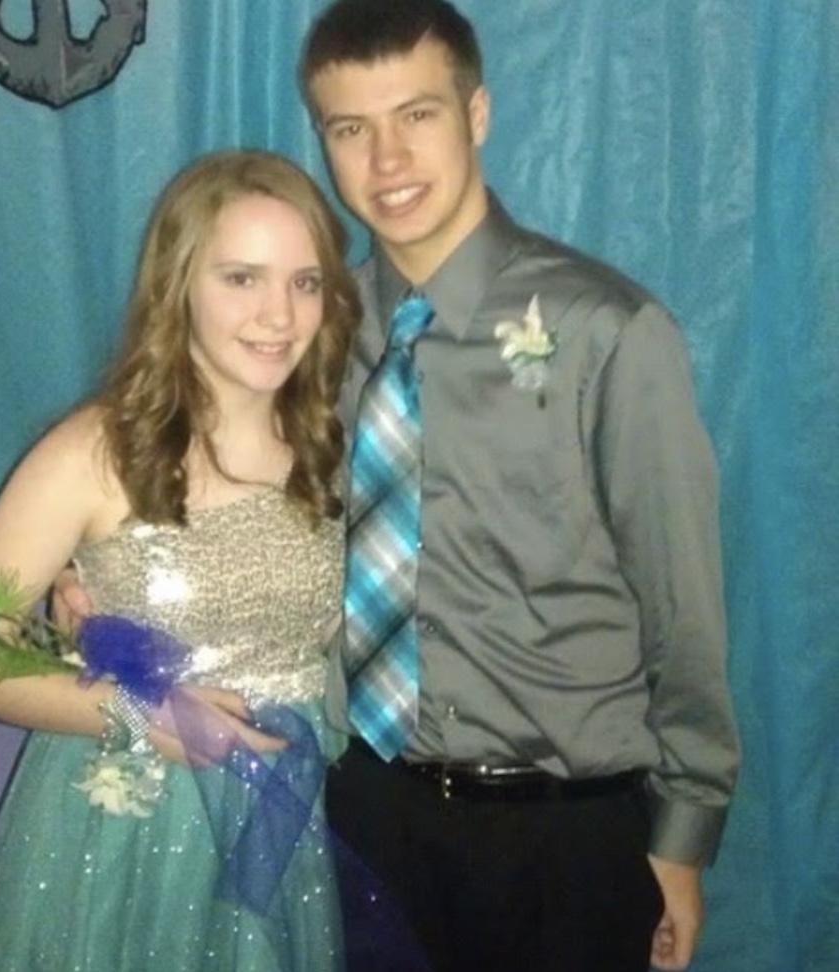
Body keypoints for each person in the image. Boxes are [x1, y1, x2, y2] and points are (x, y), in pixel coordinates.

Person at [298, 2, 740, 971]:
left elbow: (683, 604)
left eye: (417, 115)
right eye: (350, 128)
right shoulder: (312, 335)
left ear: (478, 113)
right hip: (362, 812)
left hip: (561, 837)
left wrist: (683, 835)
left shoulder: (604, 332)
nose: (386, 160)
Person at [0, 150, 361, 972]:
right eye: (242, 278)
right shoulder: (95, 453)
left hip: (282, 826)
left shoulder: (330, 444)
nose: (279, 314)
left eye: (305, 282)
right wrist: (145, 712)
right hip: (126, 834)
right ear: (179, 284)